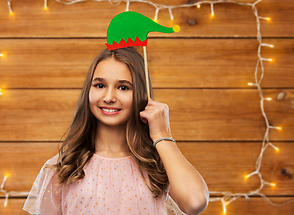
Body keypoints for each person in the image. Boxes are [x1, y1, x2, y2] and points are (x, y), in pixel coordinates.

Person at [23, 47, 209, 215]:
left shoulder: (159, 165)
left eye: (123, 87)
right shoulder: (64, 166)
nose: (109, 97)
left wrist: (162, 135)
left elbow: (195, 203)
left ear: (141, 94)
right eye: (100, 85)